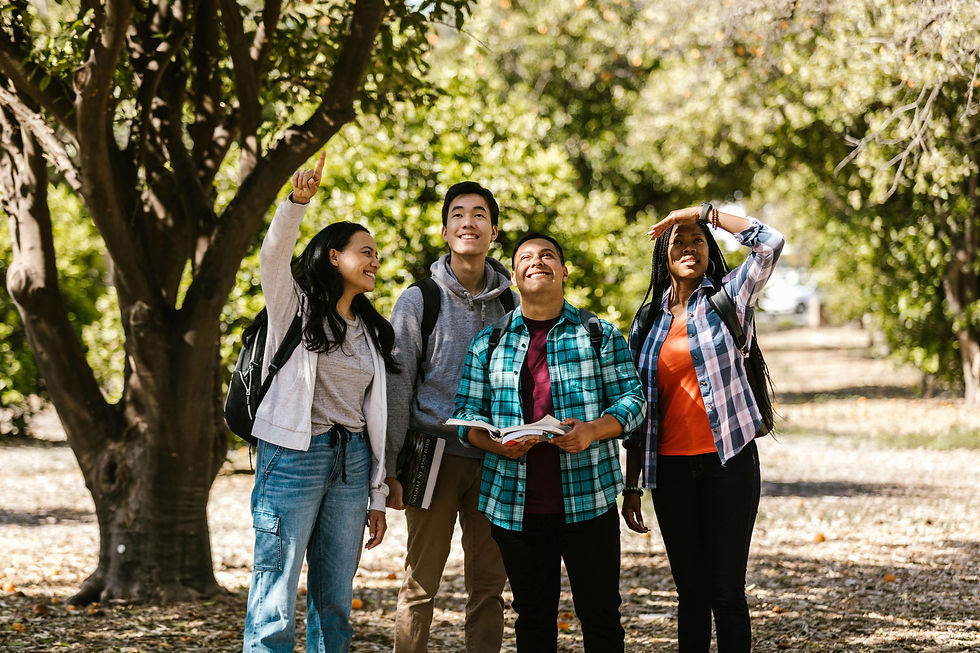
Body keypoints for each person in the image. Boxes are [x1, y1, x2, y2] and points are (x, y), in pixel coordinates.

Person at [453, 232, 646, 653]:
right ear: (514, 276)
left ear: (562, 270)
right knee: (533, 617)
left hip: (588, 501)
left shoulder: (599, 334)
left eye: (547, 256)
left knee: (600, 614)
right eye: (525, 257)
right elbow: (465, 415)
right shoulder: (489, 343)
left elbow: (634, 400)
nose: (536, 262)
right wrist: (495, 443)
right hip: (514, 505)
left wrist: (593, 430)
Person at [243, 152, 398, 653]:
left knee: (335, 600)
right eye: (365, 251)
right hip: (293, 457)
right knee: (275, 591)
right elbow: (272, 257)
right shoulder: (295, 308)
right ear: (335, 256)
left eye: (376, 254)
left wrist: (376, 494)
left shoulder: (372, 331)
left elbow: (371, 420)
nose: (374, 261)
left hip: (351, 463)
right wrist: (296, 204)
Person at [621, 203, 784, 653]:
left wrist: (702, 213)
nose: (689, 247)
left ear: (710, 250)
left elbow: (769, 242)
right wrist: (631, 486)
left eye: (698, 240)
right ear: (664, 256)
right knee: (690, 594)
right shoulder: (646, 321)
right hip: (670, 473)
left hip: (729, 463)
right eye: (679, 241)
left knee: (727, 592)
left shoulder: (730, 296)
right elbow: (638, 411)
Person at [385, 182, 515, 653]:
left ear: (493, 231)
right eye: (458, 215)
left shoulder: (511, 304)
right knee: (420, 585)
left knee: (489, 588)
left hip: (495, 459)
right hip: (431, 454)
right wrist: (389, 467)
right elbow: (398, 387)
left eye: (479, 215)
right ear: (444, 231)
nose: (468, 223)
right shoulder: (419, 300)